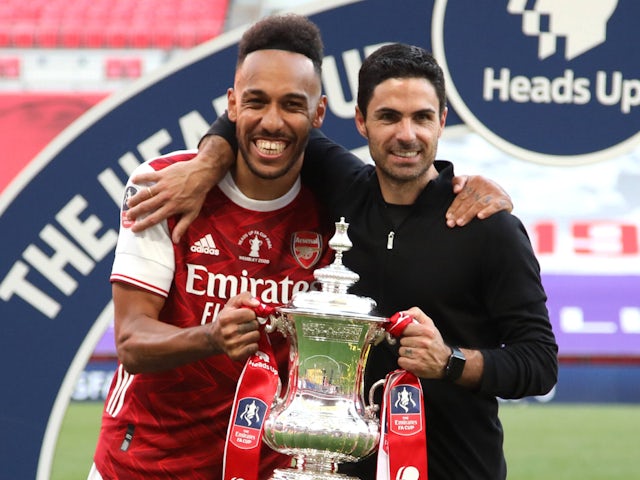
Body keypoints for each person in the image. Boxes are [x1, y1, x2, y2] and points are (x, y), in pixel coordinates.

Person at [126, 42, 558, 479]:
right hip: (337, 468)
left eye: (422, 117)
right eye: (389, 117)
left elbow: (539, 362)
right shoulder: (341, 185)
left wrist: (449, 361)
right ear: (360, 122)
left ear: (442, 121)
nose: (407, 134)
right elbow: (258, 116)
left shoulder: (486, 226)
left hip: (458, 470)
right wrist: (206, 164)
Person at [89, 14, 335, 479]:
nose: (272, 121)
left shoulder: (336, 205)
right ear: (232, 105)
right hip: (142, 463)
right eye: (256, 102)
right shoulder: (163, 183)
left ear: (318, 113)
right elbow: (131, 340)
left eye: (292, 105)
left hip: (265, 467)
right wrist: (211, 337)